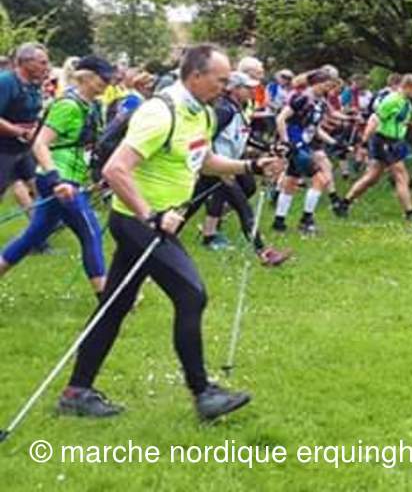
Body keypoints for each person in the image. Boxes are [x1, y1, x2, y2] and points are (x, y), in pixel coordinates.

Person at [57, 44, 283, 421]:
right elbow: (115, 170)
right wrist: (151, 215)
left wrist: (251, 166)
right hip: (139, 223)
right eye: (220, 80)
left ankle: (76, 391)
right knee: (191, 294)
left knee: (115, 305)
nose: (226, 87)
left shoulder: (203, 113)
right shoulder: (161, 112)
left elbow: (203, 161)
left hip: (150, 222)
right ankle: (203, 394)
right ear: (196, 75)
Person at [0, 56, 114, 296]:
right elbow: (40, 144)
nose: (107, 83)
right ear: (87, 77)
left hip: (72, 178)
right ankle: (106, 296)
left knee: (33, 236)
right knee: (90, 231)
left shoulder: (91, 106)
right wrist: (56, 181)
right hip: (60, 181)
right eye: (103, 78)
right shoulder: (68, 106)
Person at [196, 72, 286, 265]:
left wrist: (269, 147)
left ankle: (204, 235)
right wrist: (215, 165)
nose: (252, 91)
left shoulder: (239, 108)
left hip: (230, 164)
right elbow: (205, 137)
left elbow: (245, 135)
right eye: (247, 88)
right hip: (219, 167)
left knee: (192, 204)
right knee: (243, 207)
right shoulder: (224, 110)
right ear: (234, 89)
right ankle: (263, 252)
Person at [336, 75, 412, 221]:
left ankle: (344, 204)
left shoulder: (405, 102)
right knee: (401, 176)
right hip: (384, 141)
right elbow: (374, 119)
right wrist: (364, 143)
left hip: (394, 142)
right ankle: (410, 214)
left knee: (372, 177)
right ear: (408, 86)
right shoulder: (392, 100)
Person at [273, 70, 341, 235]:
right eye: (326, 85)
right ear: (316, 83)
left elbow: (315, 129)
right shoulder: (302, 98)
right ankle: (306, 221)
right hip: (295, 145)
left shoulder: (321, 103)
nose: (328, 89)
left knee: (291, 181)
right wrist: (286, 142)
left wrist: (335, 143)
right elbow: (280, 119)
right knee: (321, 180)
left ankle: (279, 222)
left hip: (304, 145)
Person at [0, 42, 50, 214]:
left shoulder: (34, 85)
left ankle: (39, 228)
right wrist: (19, 131)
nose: (46, 67)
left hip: (24, 148)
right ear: (26, 62)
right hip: (3, 149)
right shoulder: (6, 82)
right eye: (42, 62)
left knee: (40, 187)